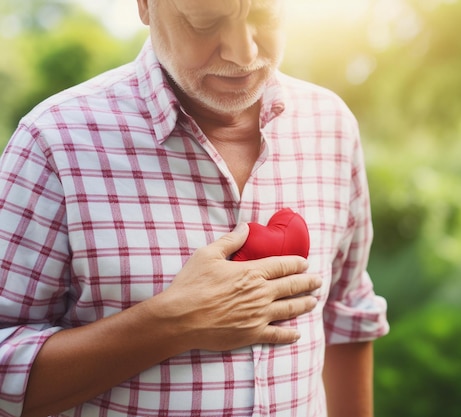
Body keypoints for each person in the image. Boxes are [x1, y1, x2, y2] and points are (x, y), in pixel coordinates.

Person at [0, 0, 389, 416]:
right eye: (205, 22)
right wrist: (171, 324)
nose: (243, 53)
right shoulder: (53, 142)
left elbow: (347, 315)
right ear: (145, 6)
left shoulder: (331, 125)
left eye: (265, 15)